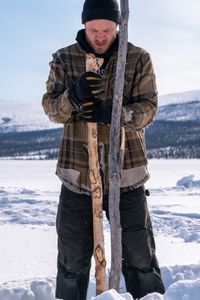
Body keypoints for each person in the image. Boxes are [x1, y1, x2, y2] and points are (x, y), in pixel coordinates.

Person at [42, 0, 165, 299]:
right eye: (94, 29)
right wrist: (74, 96)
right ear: (84, 25)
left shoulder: (136, 58)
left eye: (107, 30)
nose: (100, 36)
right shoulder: (64, 58)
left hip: (127, 176)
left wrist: (115, 113)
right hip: (77, 177)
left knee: (140, 260)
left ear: (118, 26)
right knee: (71, 261)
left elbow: (149, 109)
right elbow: (51, 109)